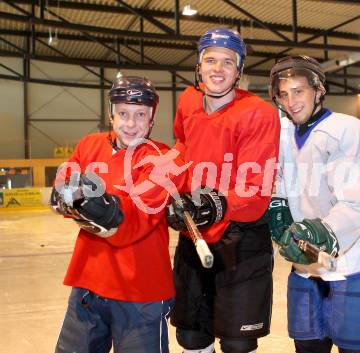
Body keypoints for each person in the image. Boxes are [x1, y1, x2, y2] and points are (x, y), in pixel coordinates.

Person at [51, 75, 186, 353]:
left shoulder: (165, 159)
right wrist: (64, 196)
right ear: (111, 114)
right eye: (123, 113)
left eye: (140, 115)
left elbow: (138, 217)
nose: (130, 123)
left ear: (151, 120)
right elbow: (67, 180)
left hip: (141, 292)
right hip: (88, 285)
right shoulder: (89, 145)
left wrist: (105, 209)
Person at [165, 28, 281, 353]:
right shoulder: (188, 101)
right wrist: (171, 193)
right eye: (210, 60)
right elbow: (182, 147)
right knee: (190, 336)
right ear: (198, 66)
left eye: (228, 62)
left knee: (237, 342)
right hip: (194, 235)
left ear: (239, 70)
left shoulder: (259, 113)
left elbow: (256, 190)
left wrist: (215, 203)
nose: (218, 69)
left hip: (240, 239)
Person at [267, 56, 360, 353]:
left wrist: (322, 231)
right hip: (306, 269)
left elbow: (358, 201)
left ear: (318, 90)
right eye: (284, 94)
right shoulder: (283, 136)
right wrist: (279, 208)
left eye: (298, 91)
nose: (291, 100)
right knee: (307, 348)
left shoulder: (347, 129)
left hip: (354, 267)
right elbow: (284, 183)